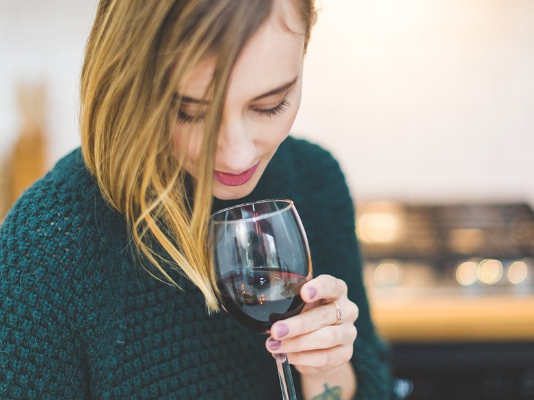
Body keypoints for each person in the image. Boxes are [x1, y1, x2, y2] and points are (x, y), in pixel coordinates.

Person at [0, 0, 395, 399]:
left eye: (269, 105)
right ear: (131, 77)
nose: (236, 156)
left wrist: (325, 366)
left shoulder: (315, 180)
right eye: (190, 112)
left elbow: (358, 387)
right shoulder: (45, 248)